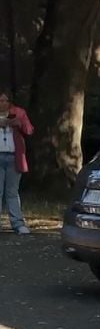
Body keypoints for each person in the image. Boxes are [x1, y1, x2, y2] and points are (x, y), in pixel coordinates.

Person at [0, 91, 34, 235]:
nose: (3, 103)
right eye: (0, 100)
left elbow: (29, 130)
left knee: (12, 192)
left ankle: (18, 224)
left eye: (6, 101)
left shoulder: (19, 112)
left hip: (14, 157)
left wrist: (19, 124)